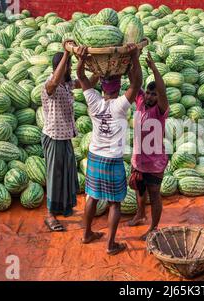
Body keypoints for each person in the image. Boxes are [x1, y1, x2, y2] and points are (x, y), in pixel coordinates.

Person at [76, 44, 142, 255]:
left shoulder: (94, 101)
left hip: (95, 156)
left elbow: (80, 76)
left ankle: (86, 234)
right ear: (117, 86)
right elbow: (137, 83)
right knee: (115, 203)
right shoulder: (121, 105)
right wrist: (133, 57)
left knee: (92, 197)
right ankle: (111, 244)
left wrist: (81, 58)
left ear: (103, 87)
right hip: (112, 159)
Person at [128, 52, 169, 241]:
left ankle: (153, 228)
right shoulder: (140, 102)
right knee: (139, 189)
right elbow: (134, 80)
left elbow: (162, 90)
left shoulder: (159, 110)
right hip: (138, 159)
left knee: (154, 195)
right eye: (149, 93)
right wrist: (133, 59)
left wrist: (154, 69)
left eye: (154, 94)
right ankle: (140, 214)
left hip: (155, 162)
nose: (151, 96)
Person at [41, 41, 81, 231]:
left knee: (67, 174)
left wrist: (89, 63)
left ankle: (62, 207)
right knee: (54, 176)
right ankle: (50, 215)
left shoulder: (67, 85)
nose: (70, 68)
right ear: (60, 67)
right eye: (68, 66)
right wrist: (67, 54)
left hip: (65, 136)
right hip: (54, 137)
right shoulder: (50, 85)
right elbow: (55, 82)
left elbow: (86, 82)